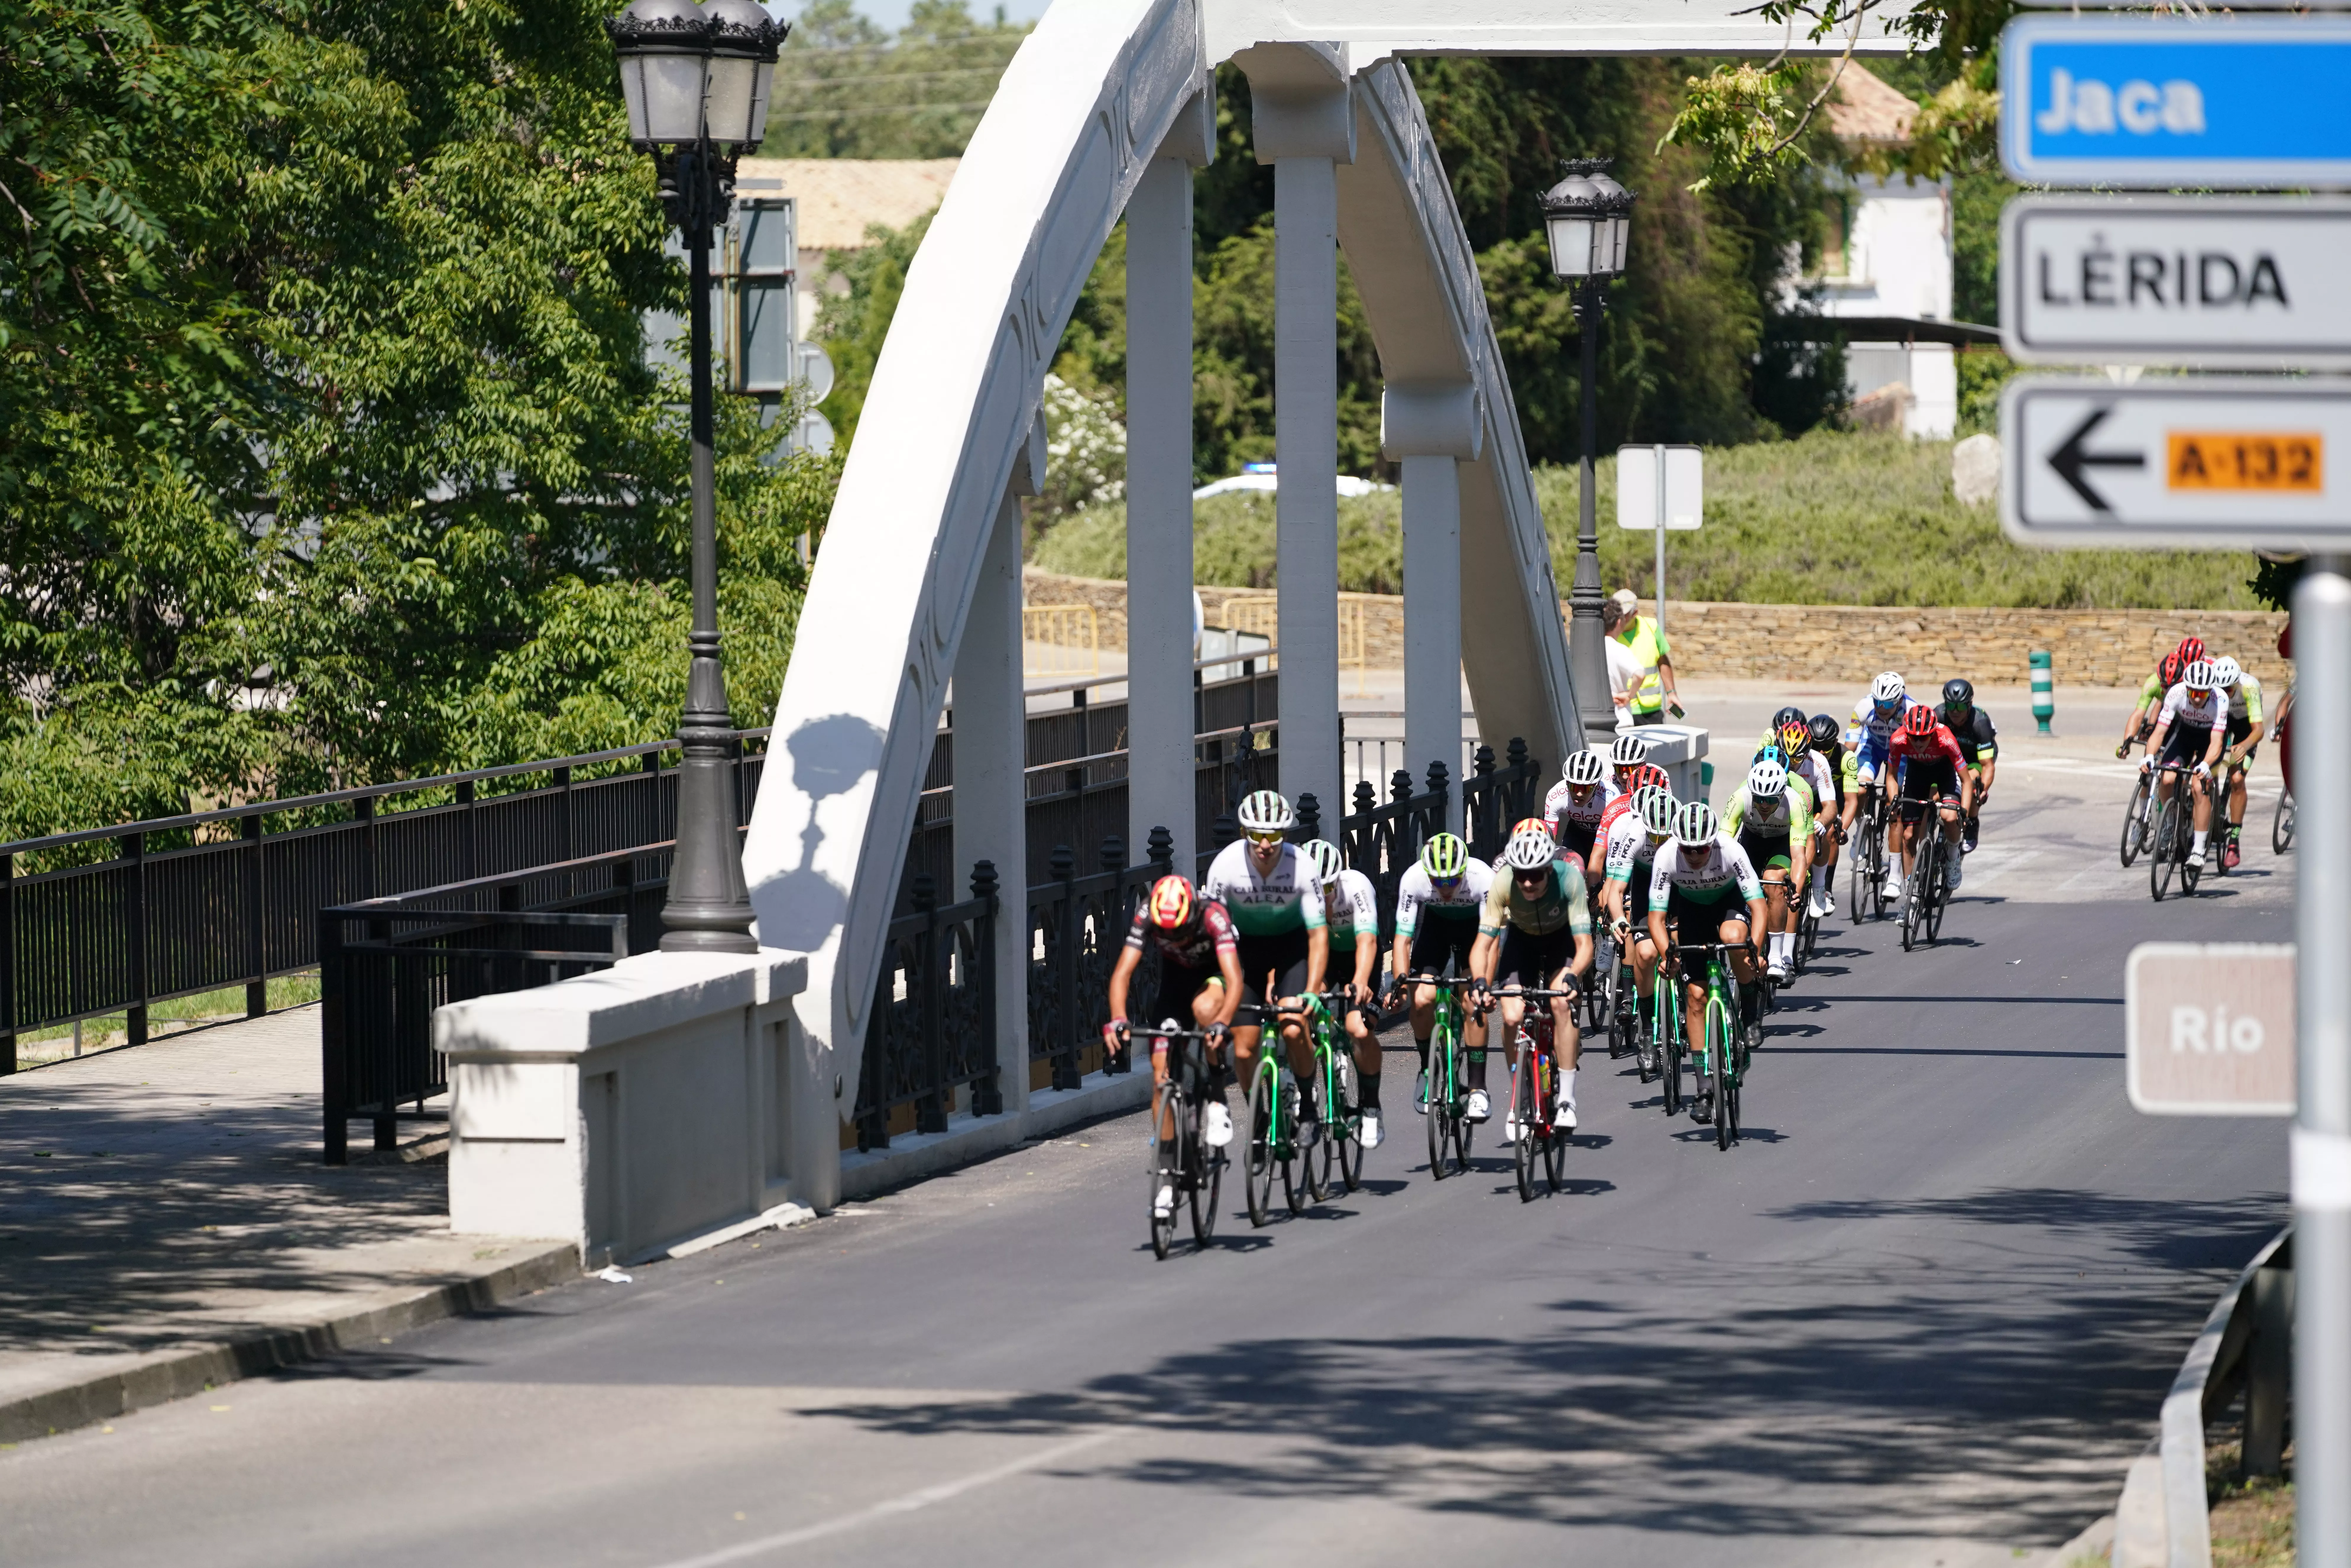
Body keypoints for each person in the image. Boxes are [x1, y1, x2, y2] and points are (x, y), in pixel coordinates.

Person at [1103, 875, 1246, 1220]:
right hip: (1176, 983)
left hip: (1215, 976)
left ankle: (1216, 1098)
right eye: (1166, 935)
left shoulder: (1212, 915)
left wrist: (1222, 1024)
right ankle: (1167, 1177)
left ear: (1192, 913)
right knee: (1160, 1078)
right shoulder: (1148, 914)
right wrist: (1118, 1019)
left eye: (1180, 931)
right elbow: (1122, 973)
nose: (1175, 939)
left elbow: (1235, 978)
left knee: (1206, 1012)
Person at [1201, 790, 1330, 1130]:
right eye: (1255, 834)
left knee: (1292, 1024)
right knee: (1244, 1050)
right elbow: (1213, 931)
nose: (1264, 844)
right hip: (1245, 953)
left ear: (1284, 835)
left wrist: (1312, 990)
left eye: (1273, 836)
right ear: (1243, 833)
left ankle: (1307, 1106)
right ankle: (1259, 1119)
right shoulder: (1225, 866)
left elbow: (1318, 936)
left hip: (1291, 949)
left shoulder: (1302, 866)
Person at [1646, 800, 1769, 1126]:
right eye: (1687, 849)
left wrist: (1756, 951)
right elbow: (1656, 918)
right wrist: (1667, 956)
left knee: (1733, 937)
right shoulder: (1666, 856)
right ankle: (1703, 1089)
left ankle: (1750, 1013)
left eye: (1701, 849)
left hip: (1729, 902)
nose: (1694, 855)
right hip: (1692, 910)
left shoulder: (1730, 850)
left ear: (1712, 843)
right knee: (1696, 997)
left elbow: (1759, 907)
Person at [1472, 825, 1596, 1135]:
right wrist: (1480, 982)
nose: (1527, 883)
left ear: (1548, 870)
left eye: (1536, 875)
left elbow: (1585, 945)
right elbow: (1483, 943)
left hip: (1561, 941)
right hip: (1522, 942)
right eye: (1521, 875)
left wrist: (1572, 976)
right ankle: (1521, 1097)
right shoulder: (1503, 881)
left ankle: (1566, 1100)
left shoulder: (1569, 879)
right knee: (1512, 1017)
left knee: (1561, 1003)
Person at [1391, 832, 1493, 1114]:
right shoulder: (1414, 878)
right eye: (1438, 882)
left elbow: (1491, 940)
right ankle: (1427, 1069)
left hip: (1474, 931)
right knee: (1422, 1000)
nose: (1446, 888)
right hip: (1435, 927)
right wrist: (1400, 985)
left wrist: (1484, 985)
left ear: (1464, 871)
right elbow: (1402, 940)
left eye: (1452, 880)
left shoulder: (1483, 877)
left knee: (1473, 1000)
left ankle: (1478, 1087)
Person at [1298, 838, 1387, 1148]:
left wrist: (1360, 982)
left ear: (1337, 880)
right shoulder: (1295, 895)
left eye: (1327, 888)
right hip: (1325, 961)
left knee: (1358, 1030)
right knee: (1300, 1010)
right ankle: (1305, 1088)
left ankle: (1371, 1105)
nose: (1321, 896)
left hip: (1359, 960)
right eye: (1313, 889)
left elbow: (1367, 941)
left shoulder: (1356, 887)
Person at [1599, 783, 1678, 1070]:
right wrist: (1619, 918)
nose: (1659, 843)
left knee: (1682, 943)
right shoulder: (1634, 835)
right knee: (1645, 954)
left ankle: (1684, 996)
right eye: (1654, 836)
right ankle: (1647, 1033)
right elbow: (1617, 890)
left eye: (1665, 836)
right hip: (1647, 887)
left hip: (1680, 885)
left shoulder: (1685, 836)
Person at [1720, 754, 1814, 983]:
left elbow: (1799, 856)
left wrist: (1796, 889)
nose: (1764, 805)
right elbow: (1723, 845)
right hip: (1752, 841)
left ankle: (1776, 957)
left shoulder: (1796, 803)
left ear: (1781, 794)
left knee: (1774, 880)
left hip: (1781, 844)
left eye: (1771, 800)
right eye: (1759, 799)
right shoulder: (1740, 797)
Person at [1883, 702, 1974, 915]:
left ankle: (1953, 857)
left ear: (1932, 733)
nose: (1918, 743)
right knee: (1908, 836)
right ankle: (1913, 896)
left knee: (1949, 817)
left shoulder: (1946, 739)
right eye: (1913, 738)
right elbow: (1891, 776)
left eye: (1923, 738)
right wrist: (1894, 800)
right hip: (1917, 775)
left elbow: (1967, 781)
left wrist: (1965, 812)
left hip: (1945, 774)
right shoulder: (1898, 739)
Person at [2145, 659, 2230, 871]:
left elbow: (2217, 742)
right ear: (2187, 689)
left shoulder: (2220, 699)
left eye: (2203, 694)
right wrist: (2149, 757)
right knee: (2167, 778)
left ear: (2210, 690)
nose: (2198, 698)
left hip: (2209, 741)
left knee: (2199, 787)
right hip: (2185, 735)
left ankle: (2199, 850)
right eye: (2194, 693)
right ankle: (2169, 823)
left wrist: (2206, 764)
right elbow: (2160, 732)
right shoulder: (2176, 693)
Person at [2211, 656, 2266, 870]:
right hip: (2223, 721)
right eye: (2221, 689)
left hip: (2245, 726)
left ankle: (2234, 840)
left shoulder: (2249, 687)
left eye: (2229, 689)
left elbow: (2259, 730)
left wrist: (2243, 746)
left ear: (2237, 682)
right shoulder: (2213, 688)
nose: (2225, 693)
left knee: (2237, 779)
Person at [1845, 671, 1920, 819]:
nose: (1881, 708)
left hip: (1901, 754)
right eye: (1877, 702)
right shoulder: (1864, 707)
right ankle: (1862, 828)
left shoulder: (1912, 711)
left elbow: (1919, 748)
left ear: (1900, 701)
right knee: (1860, 790)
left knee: (1894, 798)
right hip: (1873, 748)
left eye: (1887, 704)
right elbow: (1850, 746)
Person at [1805, 712, 1859, 915]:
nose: (1821, 752)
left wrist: (1842, 828)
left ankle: (1826, 889)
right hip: (1811, 799)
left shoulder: (1846, 758)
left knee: (1831, 834)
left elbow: (1851, 801)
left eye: (1826, 748)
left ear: (1835, 743)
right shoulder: (1804, 754)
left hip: (1834, 801)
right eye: (1815, 747)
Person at [1937, 678, 1998, 851]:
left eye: (1961, 707)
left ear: (1970, 705)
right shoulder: (1939, 716)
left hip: (1975, 758)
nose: (1955, 712)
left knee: (1972, 784)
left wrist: (1983, 790)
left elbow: (1987, 766)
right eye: (1951, 706)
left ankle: (1972, 821)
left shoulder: (1980, 722)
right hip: (1950, 756)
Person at [1544, 749, 1617, 890]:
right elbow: (1548, 843)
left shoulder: (1611, 798)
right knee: (1570, 875)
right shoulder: (1556, 796)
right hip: (1577, 834)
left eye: (1586, 789)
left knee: (1605, 883)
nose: (1578, 793)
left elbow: (1617, 841)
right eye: (1573, 787)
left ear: (1596, 786)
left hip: (1605, 837)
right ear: (1567, 783)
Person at [2120, 637, 2205, 759]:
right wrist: (2127, 742)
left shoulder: (2192, 684)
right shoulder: (2153, 682)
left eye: (2174, 687)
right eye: (2165, 686)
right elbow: (2139, 714)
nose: (2170, 691)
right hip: (2167, 716)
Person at [1611, 588, 1683, 726]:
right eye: (1616, 614)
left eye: (1623, 615)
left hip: (1650, 712)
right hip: (1620, 708)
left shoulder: (1652, 628)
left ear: (1635, 613)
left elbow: (1663, 661)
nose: (1618, 619)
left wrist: (1672, 693)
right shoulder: (1609, 632)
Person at [1601, 596, 1648, 728]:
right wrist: (1629, 695)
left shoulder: (1587, 648)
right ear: (1619, 622)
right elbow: (1639, 675)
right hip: (1620, 719)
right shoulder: (1619, 649)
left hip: (1592, 720)